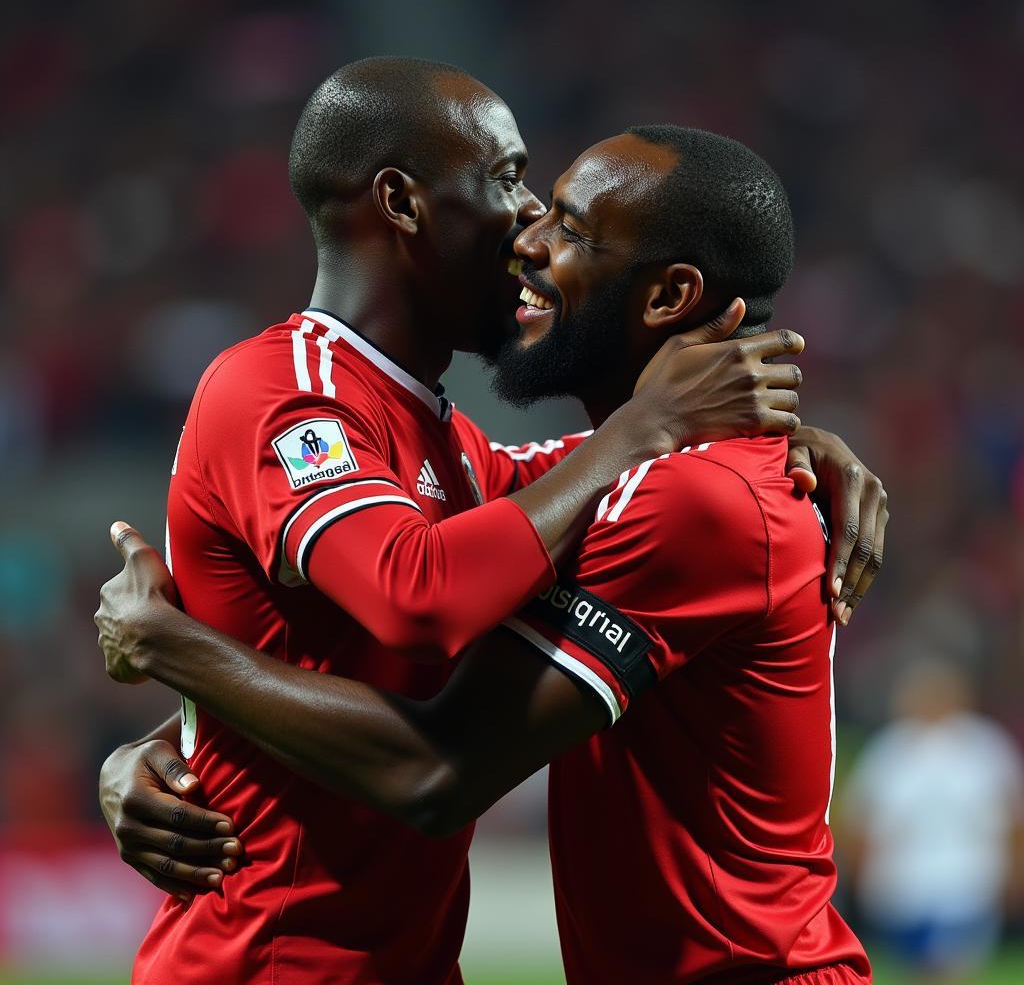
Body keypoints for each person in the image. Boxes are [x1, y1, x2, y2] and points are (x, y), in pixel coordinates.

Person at [99, 123, 882, 984]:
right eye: (525, 196)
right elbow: (445, 572)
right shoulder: (609, 478)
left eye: (569, 228)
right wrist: (181, 738)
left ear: (668, 297)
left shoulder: (690, 496)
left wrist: (172, 649)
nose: (529, 238)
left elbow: (438, 767)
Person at [841, 657, 1024, 984]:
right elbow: (859, 824)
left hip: (967, 887)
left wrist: (1013, 873)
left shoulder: (983, 747)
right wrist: (862, 882)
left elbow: (1011, 819)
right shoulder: (890, 750)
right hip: (900, 892)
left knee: (945, 969)